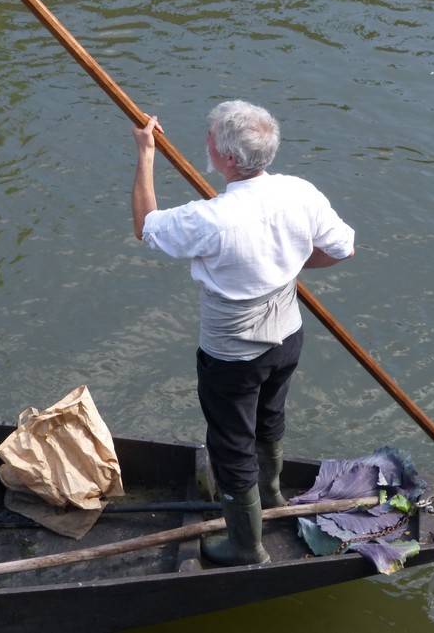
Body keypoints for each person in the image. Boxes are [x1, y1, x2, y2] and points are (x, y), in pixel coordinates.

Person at [131, 100, 355, 566]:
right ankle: (271, 499)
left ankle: (246, 546)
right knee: (269, 419)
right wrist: (291, 266)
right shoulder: (299, 192)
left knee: (231, 444)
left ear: (228, 159)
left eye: (211, 137)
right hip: (287, 338)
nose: (206, 141)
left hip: (232, 355)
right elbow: (342, 248)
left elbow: (146, 227)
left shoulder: (211, 218)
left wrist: (146, 153)